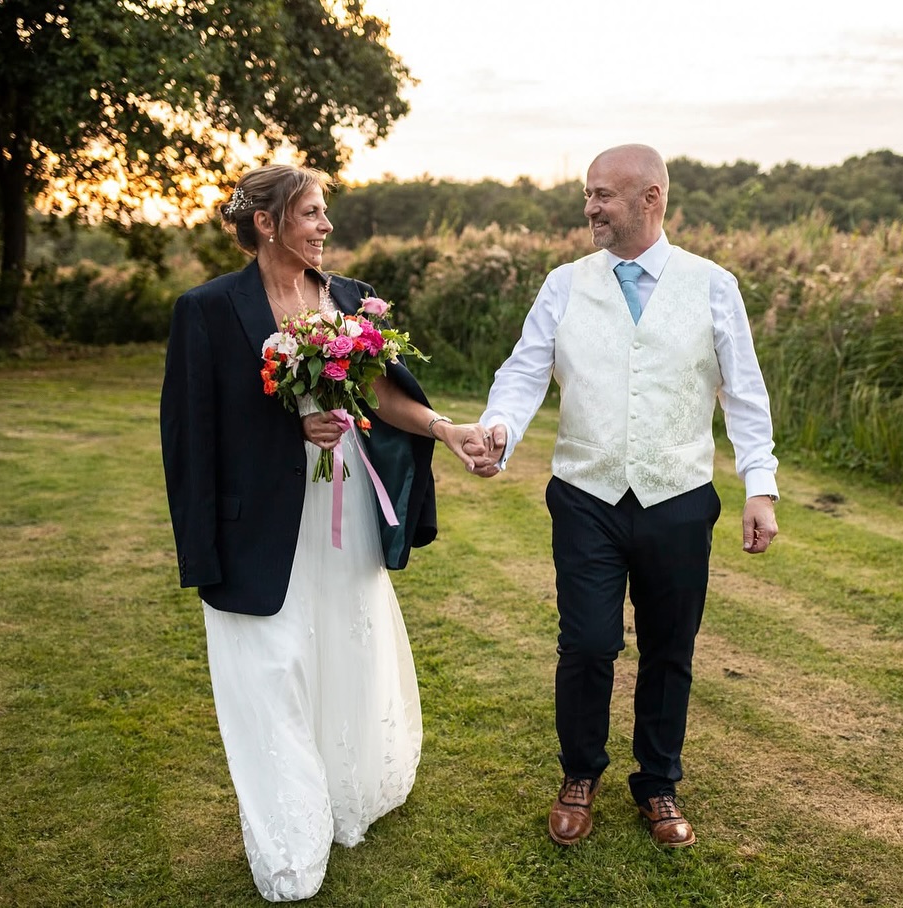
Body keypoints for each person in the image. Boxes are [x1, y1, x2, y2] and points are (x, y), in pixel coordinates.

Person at [160, 164, 487, 901]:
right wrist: (205, 542)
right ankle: (289, 840)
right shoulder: (205, 310)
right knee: (269, 670)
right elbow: (191, 437)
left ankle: (348, 790)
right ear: (267, 222)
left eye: (324, 212)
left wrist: (444, 427)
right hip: (255, 525)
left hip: (343, 508)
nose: (326, 226)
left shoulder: (348, 299)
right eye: (311, 212)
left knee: (344, 648)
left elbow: (379, 393)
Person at [474, 144, 779, 849]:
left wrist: (759, 487)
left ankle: (659, 782)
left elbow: (744, 392)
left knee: (670, 647)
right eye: (588, 194)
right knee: (586, 643)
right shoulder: (563, 284)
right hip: (586, 493)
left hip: (679, 497)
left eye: (603, 195)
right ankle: (579, 774)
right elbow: (524, 372)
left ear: (651, 198)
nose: (590, 207)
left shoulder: (713, 285)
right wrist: (499, 430)